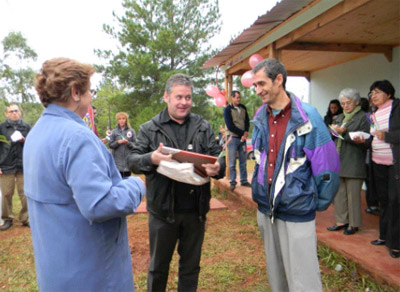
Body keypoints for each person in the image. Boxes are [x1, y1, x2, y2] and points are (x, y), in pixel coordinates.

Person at [23, 58, 146, 291]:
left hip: (56, 270)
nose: (91, 97)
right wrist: (135, 185)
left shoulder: (36, 133)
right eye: (90, 91)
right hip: (92, 274)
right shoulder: (76, 137)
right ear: (76, 92)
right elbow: (100, 204)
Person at [251, 59, 340, 291]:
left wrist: (311, 201)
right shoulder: (260, 117)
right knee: (276, 274)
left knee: (303, 278)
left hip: (297, 211)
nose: (258, 90)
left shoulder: (308, 116)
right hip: (266, 209)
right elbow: (259, 161)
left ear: (279, 79)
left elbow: (327, 169)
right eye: (255, 85)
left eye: (261, 83)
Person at [127, 73, 221, 292]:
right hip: (162, 213)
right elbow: (132, 160)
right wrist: (151, 158)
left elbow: (218, 156)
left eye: (188, 97)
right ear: (166, 97)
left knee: (190, 267)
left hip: (195, 211)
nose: (184, 102)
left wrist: (218, 168)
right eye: (179, 97)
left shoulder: (203, 126)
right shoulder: (149, 129)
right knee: (158, 268)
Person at [355, 80, 399, 258]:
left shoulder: (396, 108)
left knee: (395, 201)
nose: (373, 96)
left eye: (377, 92)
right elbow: (374, 137)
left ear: (388, 94)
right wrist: (364, 140)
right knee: (384, 200)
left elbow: (386, 135)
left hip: (394, 164)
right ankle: (383, 236)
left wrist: (387, 135)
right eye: (371, 93)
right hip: (377, 162)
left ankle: (395, 243)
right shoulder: (374, 113)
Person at [327, 88, 369, 235]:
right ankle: (340, 221)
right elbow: (331, 136)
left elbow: (367, 141)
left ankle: (354, 224)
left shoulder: (363, 117)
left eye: (348, 103)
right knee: (339, 194)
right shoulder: (339, 117)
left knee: (353, 196)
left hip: (354, 160)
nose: (345, 106)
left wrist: (345, 134)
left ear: (357, 102)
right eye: (343, 103)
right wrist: (331, 131)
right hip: (338, 160)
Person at [0, 104, 31, 231]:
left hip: (23, 165)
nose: (14, 113)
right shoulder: (1, 128)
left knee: (25, 194)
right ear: (6, 114)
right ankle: (7, 218)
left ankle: (26, 218)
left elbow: (34, 143)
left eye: (16, 111)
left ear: (20, 112)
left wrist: (25, 140)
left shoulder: (26, 127)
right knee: (7, 193)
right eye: (11, 111)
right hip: (6, 164)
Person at [223, 90, 251, 190]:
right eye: (237, 97)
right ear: (232, 98)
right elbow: (230, 126)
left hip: (243, 139)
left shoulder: (243, 108)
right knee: (232, 162)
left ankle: (244, 181)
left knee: (243, 161)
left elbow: (247, 121)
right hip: (233, 138)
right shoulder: (227, 109)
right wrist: (242, 133)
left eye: (239, 97)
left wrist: (246, 132)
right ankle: (233, 181)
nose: (238, 99)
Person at [109, 112, 136, 178]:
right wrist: (117, 142)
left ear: (126, 120)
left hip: (127, 163)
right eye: (119, 119)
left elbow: (135, 146)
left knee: (127, 182)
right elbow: (110, 145)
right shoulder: (114, 131)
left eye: (123, 118)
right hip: (117, 164)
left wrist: (128, 143)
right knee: (118, 183)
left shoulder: (131, 131)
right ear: (117, 120)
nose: (121, 120)